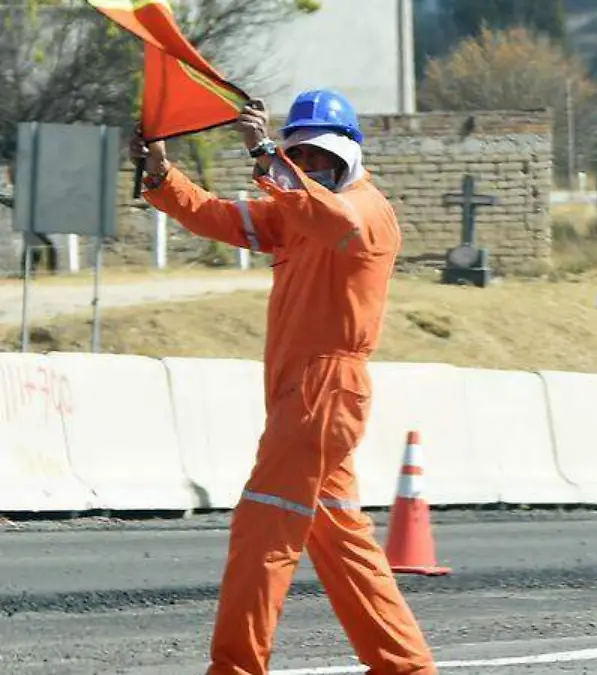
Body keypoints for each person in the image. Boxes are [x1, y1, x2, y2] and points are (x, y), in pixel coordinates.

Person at [129, 89, 439, 675]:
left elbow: (332, 219)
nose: (312, 165)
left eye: (322, 156)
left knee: (263, 525)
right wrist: (162, 177)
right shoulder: (296, 208)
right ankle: (406, 666)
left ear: (349, 155)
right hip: (308, 394)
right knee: (340, 536)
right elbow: (220, 216)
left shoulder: (365, 210)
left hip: (323, 390)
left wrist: (269, 156)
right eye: (303, 155)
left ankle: (236, 667)